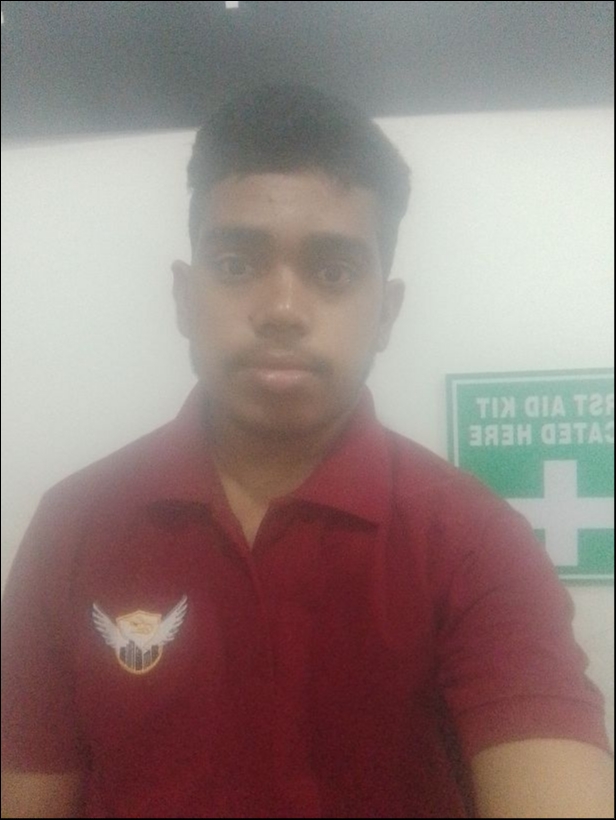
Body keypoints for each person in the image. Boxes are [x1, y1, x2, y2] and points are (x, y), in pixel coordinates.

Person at [1, 84, 612, 819]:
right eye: (236, 264)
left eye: (333, 272)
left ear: (385, 313)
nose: (282, 310)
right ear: (184, 297)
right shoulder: (75, 524)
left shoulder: (473, 541)